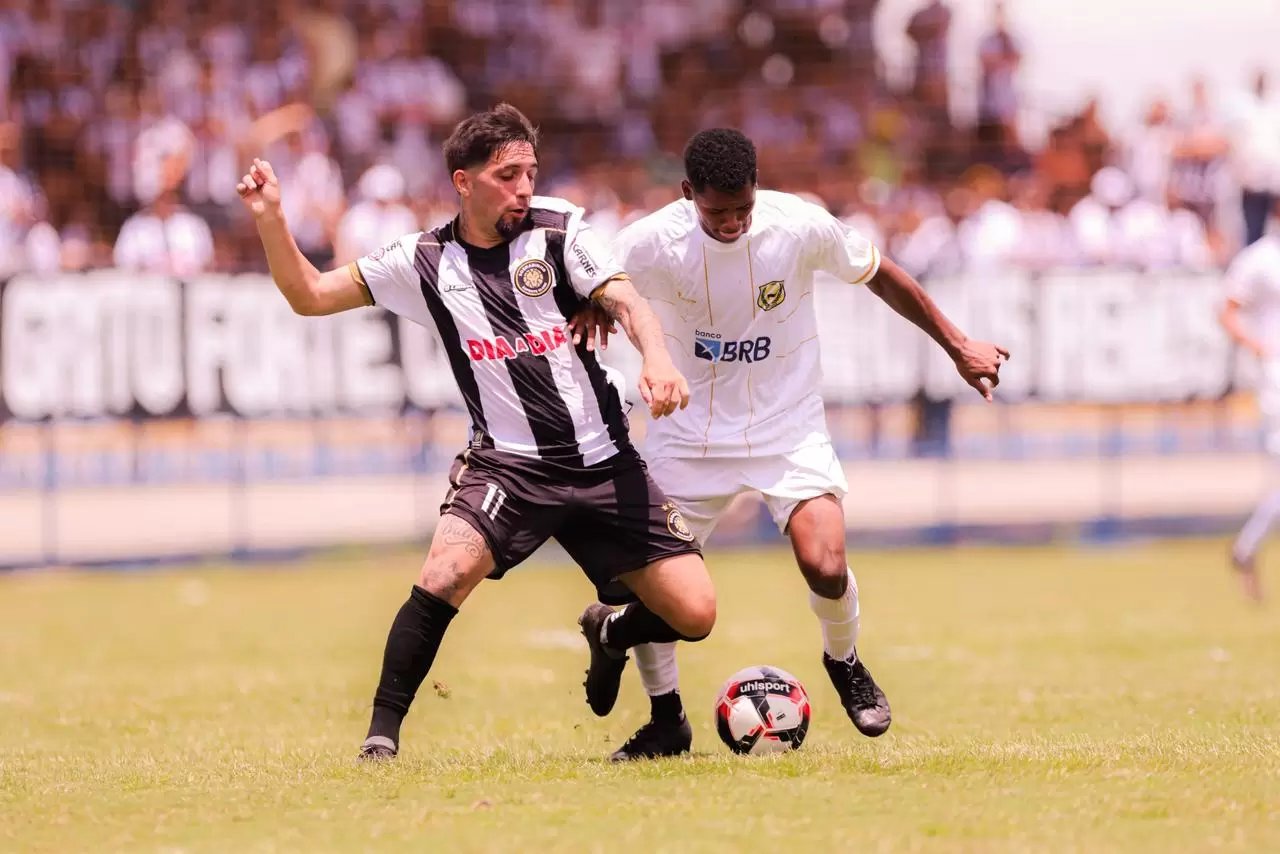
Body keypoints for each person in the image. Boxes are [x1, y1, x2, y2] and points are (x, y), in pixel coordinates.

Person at [235, 104, 718, 759]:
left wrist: (656, 359)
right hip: (510, 467)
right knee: (443, 574)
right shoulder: (424, 260)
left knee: (696, 613)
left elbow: (626, 299)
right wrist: (270, 221)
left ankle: (609, 633)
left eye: (530, 172)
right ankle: (381, 739)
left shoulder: (559, 228)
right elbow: (311, 294)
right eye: (507, 175)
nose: (524, 187)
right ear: (463, 183)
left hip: (604, 461)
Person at [573, 129, 1009, 760]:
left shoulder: (798, 224)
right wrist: (586, 303)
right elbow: (590, 277)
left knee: (826, 564)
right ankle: (666, 718)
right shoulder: (650, 239)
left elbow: (879, 274)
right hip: (689, 433)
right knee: (659, 590)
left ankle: (844, 662)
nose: (731, 224)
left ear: (757, 188)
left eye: (742, 209)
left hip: (787, 426)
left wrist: (959, 345)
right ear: (688, 193)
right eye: (716, 212)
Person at [1219, 195, 1280, 601]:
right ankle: (1246, 547)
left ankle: (1246, 547)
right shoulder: (1260, 259)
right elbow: (1227, 309)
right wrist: (1258, 347)